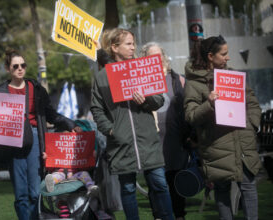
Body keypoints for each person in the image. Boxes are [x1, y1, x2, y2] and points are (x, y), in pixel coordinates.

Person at [0, 48, 82, 220]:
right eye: (15, 66)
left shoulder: (36, 89)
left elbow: (51, 115)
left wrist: (71, 124)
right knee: (21, 193)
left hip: (35, 138)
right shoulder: (0, 92)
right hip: (13, 140)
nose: (20, 69)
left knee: (34, 191)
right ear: (8, 68)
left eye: (22, 65)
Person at [91, 28, 174, 220]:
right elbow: (97, 109)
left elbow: (158, 100)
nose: (133, 47)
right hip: (121, 143)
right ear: (115, 47)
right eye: (128, 44)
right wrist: (111, 130)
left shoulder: (142, 68)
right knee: (127, 189)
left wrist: (145, 99)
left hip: (148, 140)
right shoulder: (102, 77)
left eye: (133, 43)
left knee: (160, 184)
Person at [184, 35, 261, 220]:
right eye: (224, 54)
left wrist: (251, 125)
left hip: (243, 143)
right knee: (222, 190)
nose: (228, 58)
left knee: (249, 187)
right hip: (216, 144)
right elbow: (191, 116)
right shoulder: (194, 84)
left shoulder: (233, 75)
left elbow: (252, 103)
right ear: (211, 56)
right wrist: (209, 104)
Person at [139, 42, 190, 220]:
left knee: (176, 183)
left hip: (174, 141)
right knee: (156, 185)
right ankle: (159, 216)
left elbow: (185, 110)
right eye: (151, 56)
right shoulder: (140, 80)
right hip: (151, 143)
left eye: (158, 55)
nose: (156, 59)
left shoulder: (177, 79)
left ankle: (179, 215)